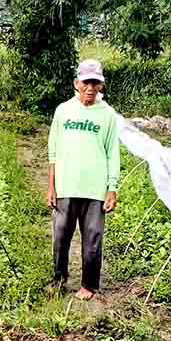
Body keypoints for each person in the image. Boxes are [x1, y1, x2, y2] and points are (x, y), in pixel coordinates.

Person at [46, 59, 121, 300]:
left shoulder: (107, 115)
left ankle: (89, 285)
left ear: (101, 86)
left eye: (95, 83)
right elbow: (53, 151)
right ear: (76, 83)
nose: (90, 88)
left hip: (95, 189)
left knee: (93, 239)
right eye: (86, 82)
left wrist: (112, 188)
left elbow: (112, 153)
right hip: (66, 186)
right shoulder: (63, 111)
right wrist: (51, 186)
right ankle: (59, 279)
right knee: (60, 237)